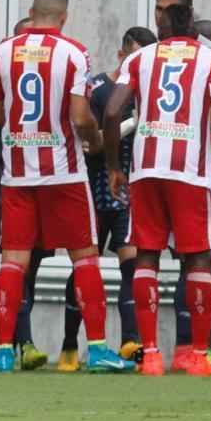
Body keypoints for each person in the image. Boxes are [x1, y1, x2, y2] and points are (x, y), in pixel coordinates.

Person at [0, 0, 134, 374]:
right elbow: (82, 116)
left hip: (16, 175)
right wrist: (96, 140)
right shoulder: (73, 52)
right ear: (63, 17)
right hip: (64, 172)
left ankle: (3, 352)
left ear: (31, 12)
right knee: (84, 256)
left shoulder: (3, 51)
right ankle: (98, 349)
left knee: (13, 262)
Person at [104, 3, 211, 377]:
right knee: (196, 259)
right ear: (192, 25)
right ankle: (195, 354)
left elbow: (112, 113)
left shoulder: (141, 57)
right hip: (191, 174)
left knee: (146, 255)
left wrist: (115, 167)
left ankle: (150, 356)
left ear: (161, 26)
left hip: (146, 168)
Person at [58, 25, 156, 372]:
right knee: (86, 265)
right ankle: (70, 344)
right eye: (134, 56)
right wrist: (130, 124)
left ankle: (130, 341)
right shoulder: (99, 89)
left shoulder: (150, 91)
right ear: (121, 54)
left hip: (131, 191)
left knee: (133, 264)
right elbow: (92, 142)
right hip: (96, 186)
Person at [0, 17, 52, 371]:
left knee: (30, 268)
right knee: (16, 265)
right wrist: (2, 57)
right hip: (6, 185)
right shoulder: (2, 68)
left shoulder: (50, 73)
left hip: (44, 182)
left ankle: (20, 341)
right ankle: (17, 343)